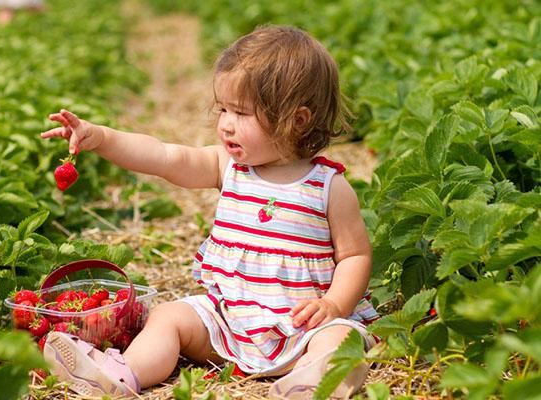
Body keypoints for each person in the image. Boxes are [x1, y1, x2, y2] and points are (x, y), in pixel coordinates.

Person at [40, 25, 380, 399]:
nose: (225, 125)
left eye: (242, 113)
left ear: (296, 120)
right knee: (169, 317)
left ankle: (314, 382)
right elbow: (163, 156)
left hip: (303, 329)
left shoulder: (328, 187)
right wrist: (102, 138)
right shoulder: (227, 166)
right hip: (229, 323)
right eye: (223, 109)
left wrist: (333, 304)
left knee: (340, 337)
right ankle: (122, 374)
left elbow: (355, 255)